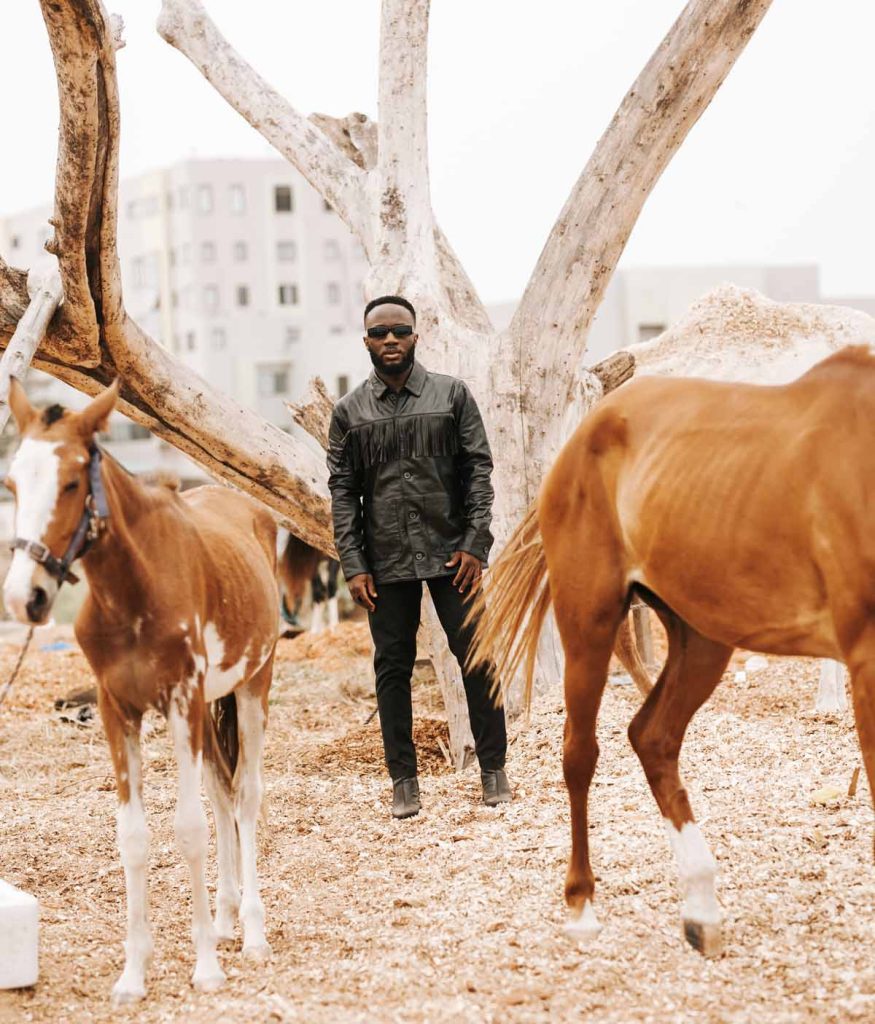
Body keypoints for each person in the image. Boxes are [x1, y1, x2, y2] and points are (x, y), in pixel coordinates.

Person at [327, 295, 511, 819]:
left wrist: (476, 543)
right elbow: (343, 493)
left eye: (399, 331)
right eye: (379, 333)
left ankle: (494, 769)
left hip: (454, 554)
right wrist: (354, 563)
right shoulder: (348, 413)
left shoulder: (452, 396)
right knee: (392, 668)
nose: (390, 340)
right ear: (365, 341)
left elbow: (479, 470)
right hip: (384, 564)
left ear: (415, 336)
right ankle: (403, 781)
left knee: (477, 659)